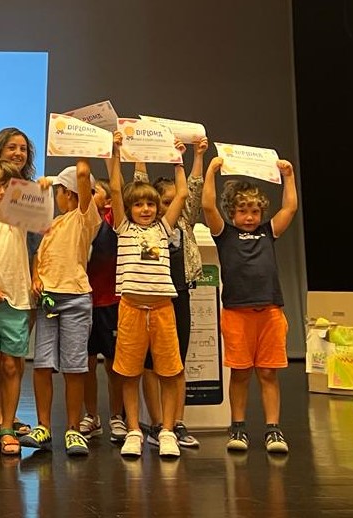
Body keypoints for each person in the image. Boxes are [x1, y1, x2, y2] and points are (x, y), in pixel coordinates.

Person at [201, 155, 297, 454]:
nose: (250, 217)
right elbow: (207, 206)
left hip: (269, 312)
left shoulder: (268, 232)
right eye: (243, 211)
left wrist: (289, 177)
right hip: (236, 314)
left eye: (255, 211)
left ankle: (273, 429)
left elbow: (290, 207)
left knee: (268, 373)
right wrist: (211, 170)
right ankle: (238, 428)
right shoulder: (224, 234)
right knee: (240, 373)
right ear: (232, 212)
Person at [107, 136, 188, 459]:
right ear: (129, 209)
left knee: (169, 372)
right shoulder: (124, 228)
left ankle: (166, 431)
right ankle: (133, 430)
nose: (145, 209)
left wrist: (178, 160)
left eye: (150, 205)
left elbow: (182, 194)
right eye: (139, 205)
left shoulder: (165, 228)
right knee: (129, 373)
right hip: (131, 309)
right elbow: (115, 189)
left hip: (163, 309)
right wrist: (115, 153)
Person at [21, 159, 101, 457]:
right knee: (42, 364)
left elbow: (83, 172)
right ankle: (43, 427)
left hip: (75, 300)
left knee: (74, 366)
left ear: (69, 193)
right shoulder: (53, 224)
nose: (56, 196)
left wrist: (60, 169)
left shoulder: (84, 218)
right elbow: (39, 257)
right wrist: (36, 277)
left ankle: (73, 428)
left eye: (58, 191)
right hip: (48, 301)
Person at [135, 138, 209, 450]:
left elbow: (191, 189)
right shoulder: (147, 229)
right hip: (151, 299)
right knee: (151, 364)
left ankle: (176, 422)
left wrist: (191, 156)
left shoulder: (184, 225)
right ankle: (156, 423)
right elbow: (139, 183)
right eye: (160, 203)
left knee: (176, 363)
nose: (166, 208)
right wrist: (138, 152)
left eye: (169, 202)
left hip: (180, 297)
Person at [0, 127, 38, 436]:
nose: (18, 153)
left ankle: (8, 419)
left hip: (20, 290)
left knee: (13, 361)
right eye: (12, 147)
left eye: (23, 148)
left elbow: (40, 240)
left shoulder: (29, 199)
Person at [79, 178, 125, 443]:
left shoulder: (113, 220)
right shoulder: (78, 221)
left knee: (112, 363)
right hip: (83, 302)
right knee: (86, 363)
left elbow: (118, 189)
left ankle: (117, 416)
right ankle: (91, 416)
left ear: (108, 201)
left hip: (110, 303)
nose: (87, 193)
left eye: (94, 191)